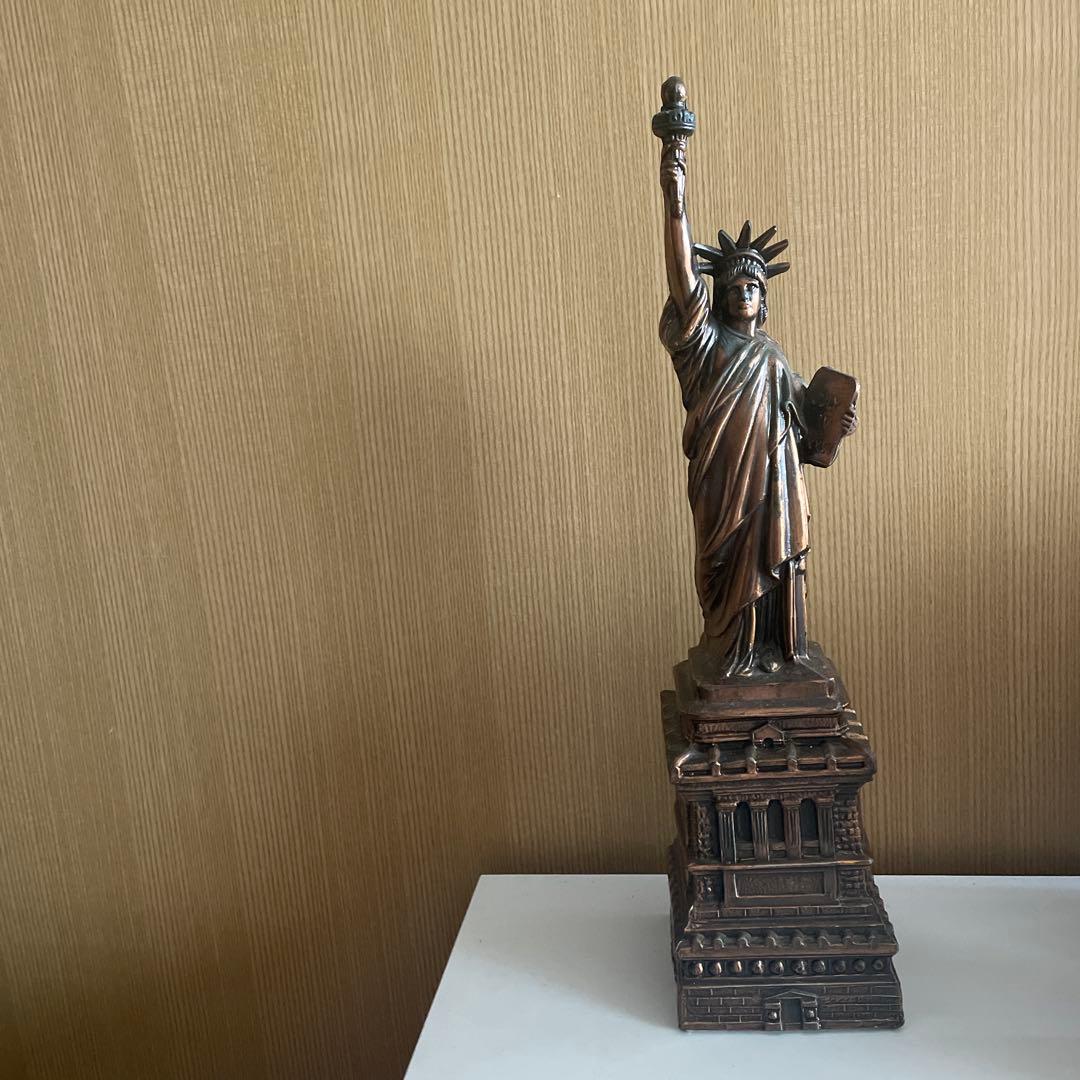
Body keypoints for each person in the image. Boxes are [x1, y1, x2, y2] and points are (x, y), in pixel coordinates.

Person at [657, 133, 856, 678]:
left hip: (773, 487)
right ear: (719, 297)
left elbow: (808, 435)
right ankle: (732, 654)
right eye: (734, 285)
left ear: (764, 300)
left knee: (775, 562)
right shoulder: (704, 343)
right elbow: (682, 277)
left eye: (754, 285)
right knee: (726, 572)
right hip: (724, 484)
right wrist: (675, 199)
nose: (744, 291)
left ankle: (775, 651)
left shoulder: (773, 356)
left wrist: (835, 424)